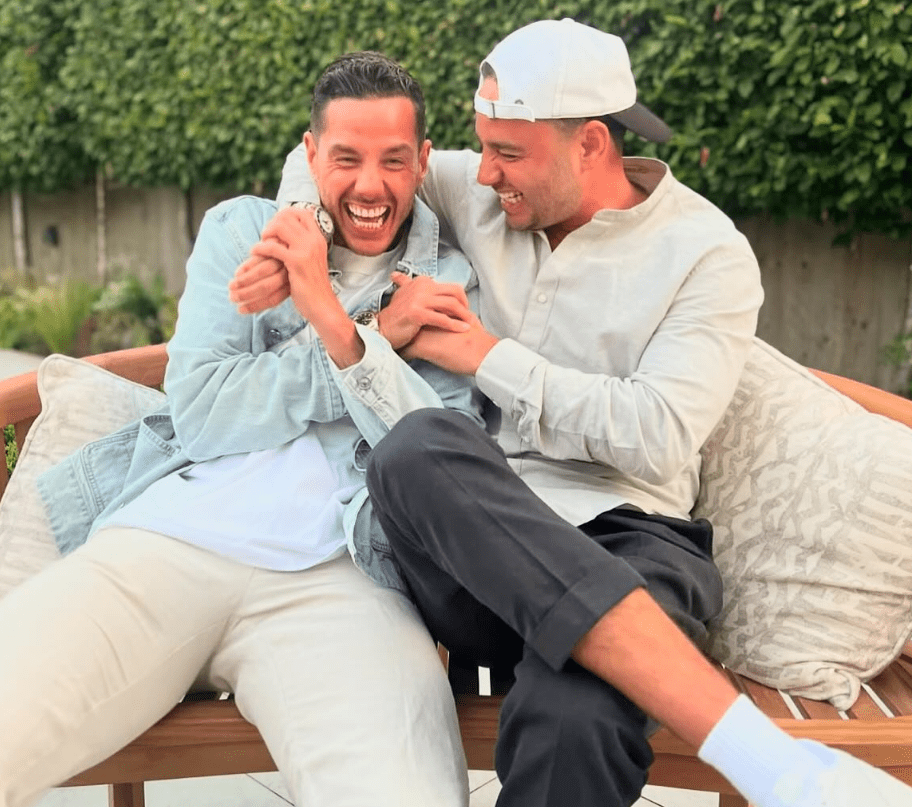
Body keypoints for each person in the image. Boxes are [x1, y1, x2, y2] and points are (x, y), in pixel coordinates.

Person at [237, 17, 912, 807]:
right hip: (475, 543)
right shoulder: (483, 190)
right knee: (417, 448)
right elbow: (320, 154)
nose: (482, 173)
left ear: (591, 144)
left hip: (635, 539)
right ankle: (756, 751)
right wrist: (304, 230)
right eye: (481, 146)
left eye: (508, 153)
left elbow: (658, 434)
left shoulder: (707, 253)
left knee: (575, 719)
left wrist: (489, 357)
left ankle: (751, 751)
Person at [0, 52, 483, 807]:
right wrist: (371, 347)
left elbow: (439, 451)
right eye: (346, 157)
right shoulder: (243, 232)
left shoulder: (450, 281)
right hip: (170, 541)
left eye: (394, 160)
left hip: (345, 575)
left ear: (423, 162)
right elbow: (201, 409)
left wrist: (329, 318)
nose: (370, 185)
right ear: (311, 152)